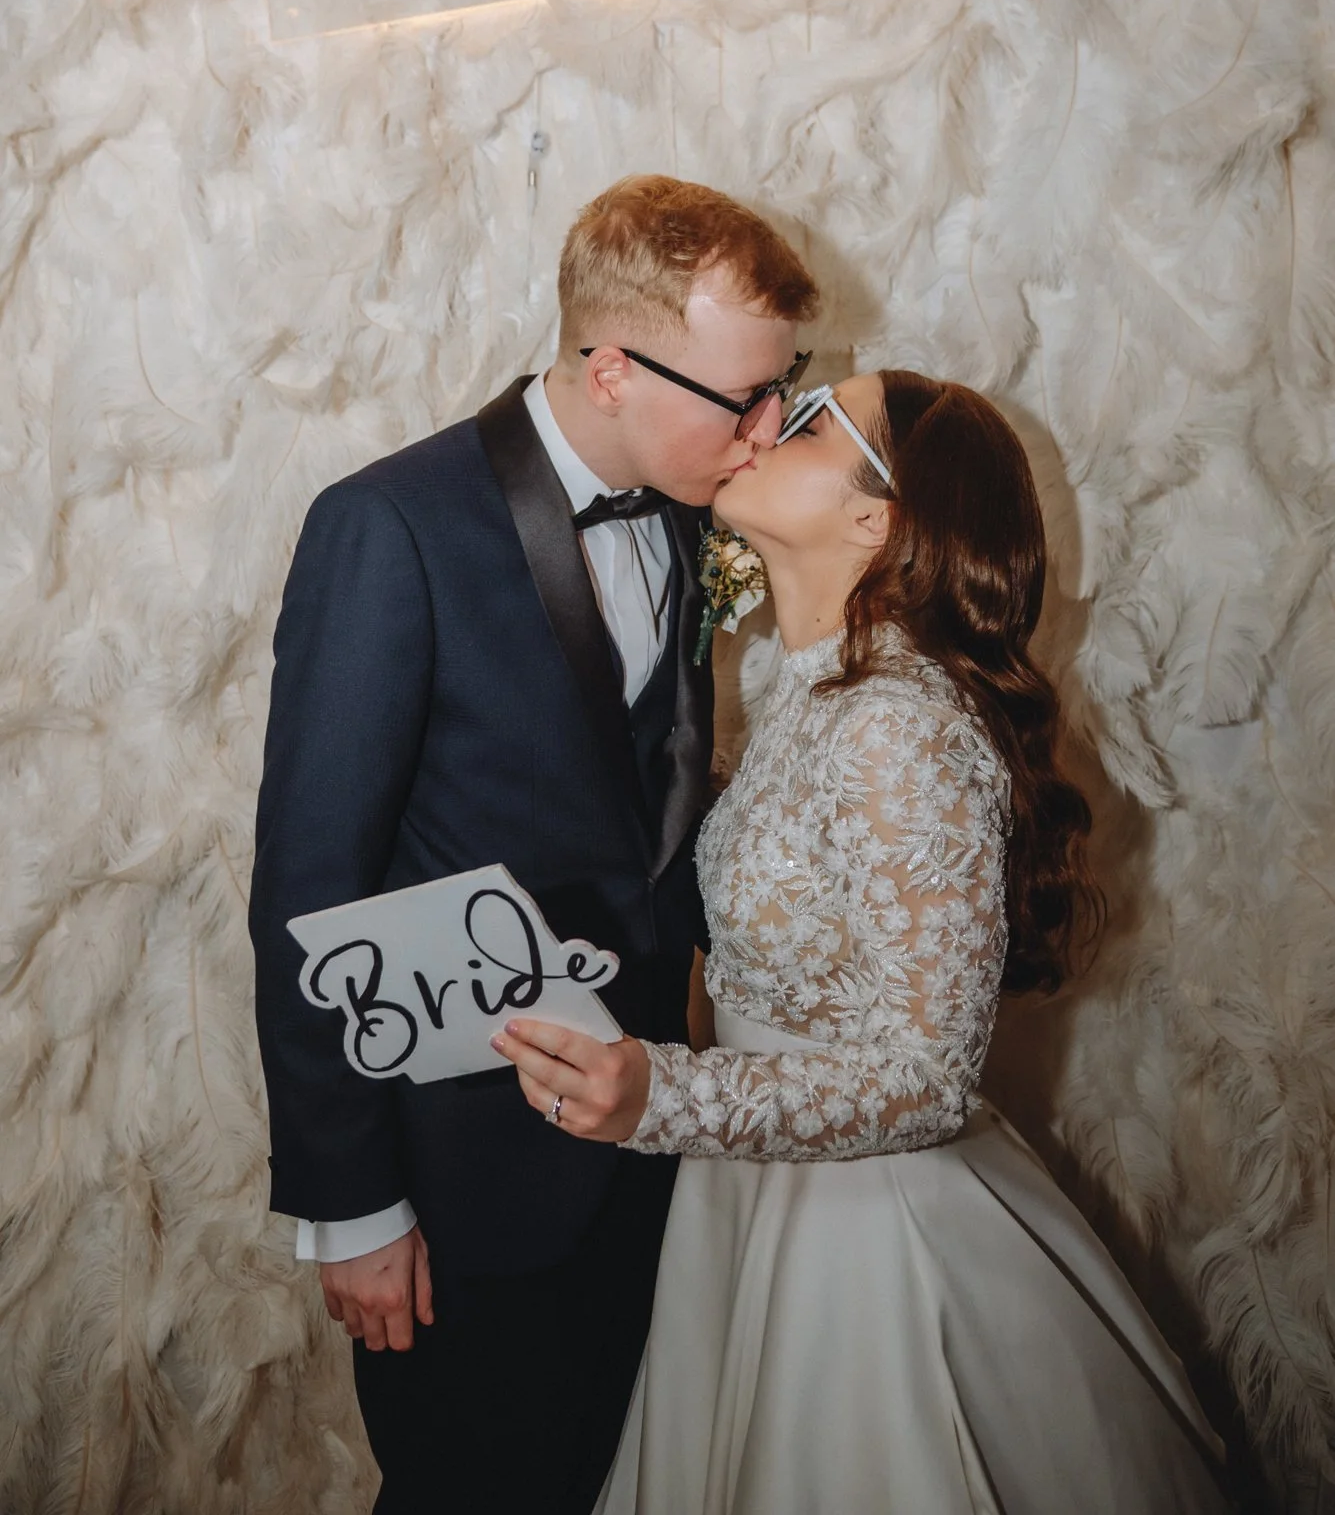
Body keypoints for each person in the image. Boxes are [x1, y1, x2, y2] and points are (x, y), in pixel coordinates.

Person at [493, 369, 1231, 1514]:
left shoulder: (899, 723)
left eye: (806, 420)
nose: (760, 424)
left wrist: (663, 1099)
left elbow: (929, 1077)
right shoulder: (817, 691)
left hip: (865, 1250)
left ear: (876, 518)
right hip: (752, 1202)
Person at [248, 174, 820, 1515]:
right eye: (735, 396)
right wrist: (355, 1205)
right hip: (460, 1184)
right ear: (609, 368)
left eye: (780, 385)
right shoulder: (387, 527)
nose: (763, 430)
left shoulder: (696, 513)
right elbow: (307, 887)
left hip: (652, 1145)